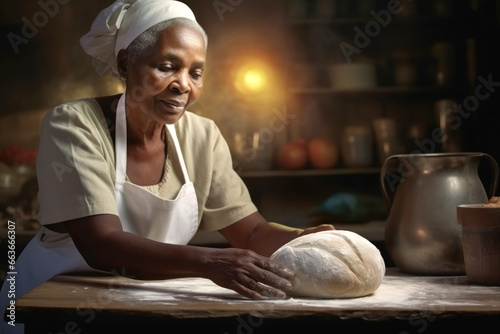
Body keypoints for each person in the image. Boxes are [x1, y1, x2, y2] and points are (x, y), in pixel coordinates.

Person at [0, 1, 333, 332]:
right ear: (125, 63)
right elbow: (101, 245)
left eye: (195, 72)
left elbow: (251, 232)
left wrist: (304, 240)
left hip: (136, 306)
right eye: (166, 66)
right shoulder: (74, 124)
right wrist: (211, 262)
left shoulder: (202, 137)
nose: (183, 84)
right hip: (47, 306)